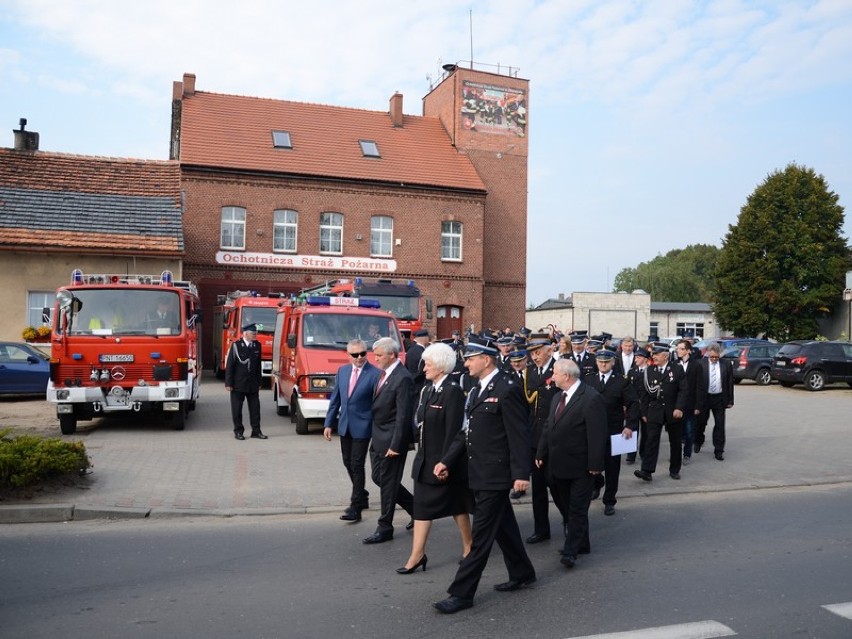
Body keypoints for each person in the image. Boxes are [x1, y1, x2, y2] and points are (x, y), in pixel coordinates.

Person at [432, 337, 535, 615]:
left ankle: (462, 593)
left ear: (486, 359)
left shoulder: (507, 389)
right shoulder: (477, 389)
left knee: (480, 538)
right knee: (504, 526)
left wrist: (521, 474)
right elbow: (467, 432)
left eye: (470, 358)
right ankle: (523, 572)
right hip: (478, 471)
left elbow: (519, 434)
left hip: (496, 475)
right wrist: (447, 460)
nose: (465, 363)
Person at [397, 342, 472, 574]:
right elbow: (420, 422)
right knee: (422, 508)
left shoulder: (453, 391)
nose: (424, 367)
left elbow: (456, 432)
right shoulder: (428, 389)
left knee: (458, 505)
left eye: (428, 363)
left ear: (440, 366)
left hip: (444, 462)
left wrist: (447, 462)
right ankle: (417, 555)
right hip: (425, 460)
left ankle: (469, 548)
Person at [535, 358, 607, 568]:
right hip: (558, 465)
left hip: (581, 466)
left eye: (555, 373)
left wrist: (596, 465)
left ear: (566, 375)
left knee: (576, 509)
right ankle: (581, 542)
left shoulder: (590, 398)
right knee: (565, 506)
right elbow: (549, 427)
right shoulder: (558, 397)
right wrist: (541, 452)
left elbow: (597, 434)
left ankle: (570, 551)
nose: (552, 377)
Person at [323, 339, 382, 522]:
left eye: (363, 354)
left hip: (364, 427)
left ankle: (356, 506)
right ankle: (362, 494)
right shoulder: (342, 371)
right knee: (347, 462)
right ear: (348, 355)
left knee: (357, 465)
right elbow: (336, 400)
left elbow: (379, 404)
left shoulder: (376, 374)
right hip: (345, 425)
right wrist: (328, 423)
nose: (359, 358)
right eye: (355, 355)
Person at [363, 337, 415, 544]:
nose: (375, 359)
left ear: (392, 355)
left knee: (388, 484)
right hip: (378, 437)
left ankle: (385, 527)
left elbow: (403, 415)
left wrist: (396, 445)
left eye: (379, 355)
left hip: (392, 440)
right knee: (380, 479)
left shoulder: (403, 378)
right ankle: (417, 509)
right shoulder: (383, 374)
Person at [586, 348, 640, 516]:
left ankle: (609, 500)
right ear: (596, 363)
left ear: (613, 363)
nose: (603, 364)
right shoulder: (588, 380)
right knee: (592, 463)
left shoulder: (621, 381)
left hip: (614, 431)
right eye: (600, 362)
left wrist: (630, 425)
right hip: (592, 431)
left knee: (612, 467)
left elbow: (633, 404)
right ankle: (596, 484)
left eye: (606, 362)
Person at [523, 334, 562, 543]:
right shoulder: (529, 372)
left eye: (538, 352)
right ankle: (541, 529)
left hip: (554, 436)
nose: (534, 356)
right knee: (537, 488)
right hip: (534, 435)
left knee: (556, 486)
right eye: (532, 353)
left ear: (549, 349)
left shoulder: (560, 369)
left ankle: (569, 523)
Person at [634, 343, 687, 481]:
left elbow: (683, 390)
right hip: (655, 410)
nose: (654, 356)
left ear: (665, 355)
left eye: (656, 354)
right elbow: (645, 394)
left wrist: (679, 408)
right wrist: (644, 413)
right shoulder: (650, 370)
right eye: (653, 354)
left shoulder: (677, 369)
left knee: (675, 442)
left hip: (672, 410)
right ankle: (647, 470)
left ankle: (675, 469)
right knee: (651, 440)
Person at [225, 323, 266, 440]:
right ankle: (238, 431)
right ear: (246, 334)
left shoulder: (257, 346)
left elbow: (258, 366)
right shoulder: (236, 346)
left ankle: (256, 431)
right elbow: (230, 366)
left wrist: (259, 382)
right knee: (237, 409)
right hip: (238, 383)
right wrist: (229, 383)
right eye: (253, 334)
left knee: (255, 409)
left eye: (256, 333)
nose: (255, 336)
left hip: (252, 384)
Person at [694, 343, 735, 461]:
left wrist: (730, 400)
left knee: (720, 425)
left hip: (719, 398)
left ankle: (719, 450)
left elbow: (729, 383)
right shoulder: (700, 364)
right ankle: (698, 441)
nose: (714, 359)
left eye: (716, 357)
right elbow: (696, 384)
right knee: (701, 422)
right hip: (704, 398)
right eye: (712, 357)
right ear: (707, 354)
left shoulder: (726, 365)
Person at [675, 339, 700, 466]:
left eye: (681, 349)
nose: (678, 351)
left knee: (689, 431)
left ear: (688, 351)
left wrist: (698, 406)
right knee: (677, 432)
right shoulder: (674, 364)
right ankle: (676, 455)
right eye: (677, 348)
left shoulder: (696, 365)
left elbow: (700, 386)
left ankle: (687, 454)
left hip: (691, 404)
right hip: (677, 404)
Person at [625, 346, 651, 465]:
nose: (636, 359)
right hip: (634, 406)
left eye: (639, 357)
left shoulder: (651, 371)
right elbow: (628, 389)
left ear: (645, 359)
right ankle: (631, 455)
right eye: (636, 357)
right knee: (633, 429)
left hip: (647, 406)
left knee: (646, 432)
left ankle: (644, 453)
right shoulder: (632, 372)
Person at [405, 329, 431, 393]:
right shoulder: (423, 353)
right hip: (420, 385)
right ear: (424, 338)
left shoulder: (410, 350)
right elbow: (422, 371)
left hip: (410, 383)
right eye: (428, 338)